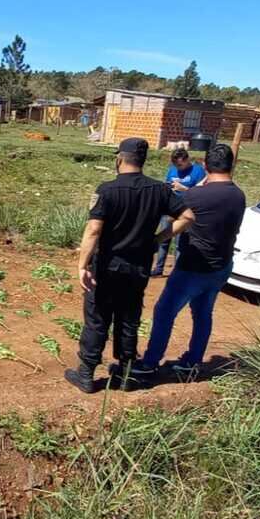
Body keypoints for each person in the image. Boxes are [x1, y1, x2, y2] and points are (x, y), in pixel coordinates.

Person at [65, 137, 192, 394]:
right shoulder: (160, 190)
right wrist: (158, 239)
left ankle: (87, 374)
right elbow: (187, 216)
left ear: (120, 159)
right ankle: (124, 375)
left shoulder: (107, 190)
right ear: (142, 161)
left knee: (98, 319)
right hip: (138, 269)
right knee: (128, 319)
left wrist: (82, 265)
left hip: (107, 268)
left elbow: (93, 230)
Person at [134, 143, 246, 380]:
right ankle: (192, 361)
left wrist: (157, 239)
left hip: (193, 265)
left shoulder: (195, 195)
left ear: (204, 165)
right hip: (221, 266)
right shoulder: (238, 195)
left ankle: (150, 363)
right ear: (231, 165)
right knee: (203, 314)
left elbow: (177, 219)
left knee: (164, 311)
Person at [151, 148, 206, 276]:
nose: (178, 168)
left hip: (185, 211)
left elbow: (201, 193)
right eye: (176, 165)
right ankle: (158, 269)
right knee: (163, 239)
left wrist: (184, 189)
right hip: (169, 210)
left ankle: (177, 270)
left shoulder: (198, 171)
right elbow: (168, 183)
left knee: (179, 243)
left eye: (180, 164)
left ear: (187, 160)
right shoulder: (172, 170)